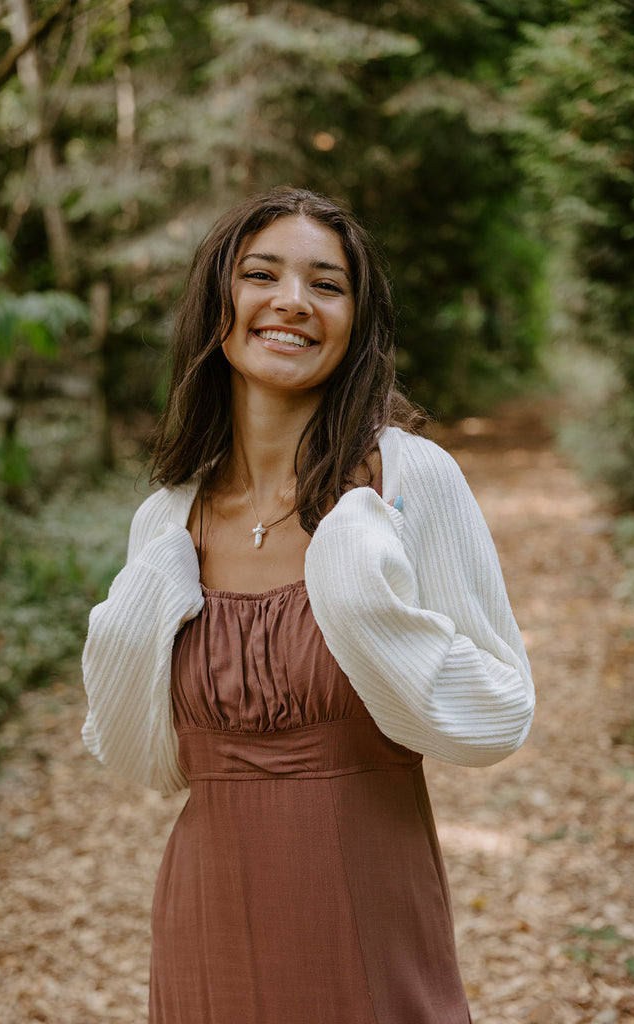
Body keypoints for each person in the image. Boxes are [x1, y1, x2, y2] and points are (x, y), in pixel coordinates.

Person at [81, 186, 535, 1024]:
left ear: (356, 321)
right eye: (261, 274)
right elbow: (139, 757)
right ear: (218, 303)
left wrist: (361, 596)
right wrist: (137, 608)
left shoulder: (406, 481)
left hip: (367, 907)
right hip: (204, 915)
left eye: (326, 285)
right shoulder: (166, 519)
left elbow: (498, 714)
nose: (292, 302)